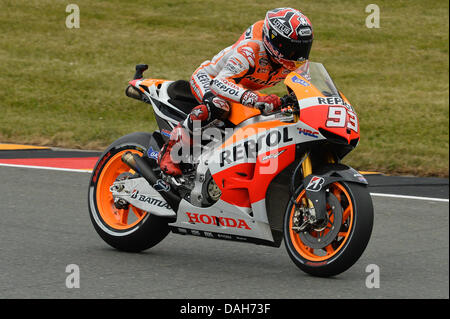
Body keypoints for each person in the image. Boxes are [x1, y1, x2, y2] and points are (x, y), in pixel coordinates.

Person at [158, 7, 314, 176]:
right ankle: (170, 152)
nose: (299, 55)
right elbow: (219, 83)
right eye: (293, 48)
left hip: (239, 85)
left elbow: (305, 90)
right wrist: (254, 98)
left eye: (303, 48)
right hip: (210, 78)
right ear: (275, 41)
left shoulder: (296, 61)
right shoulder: (251, 49)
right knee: (218, 106)